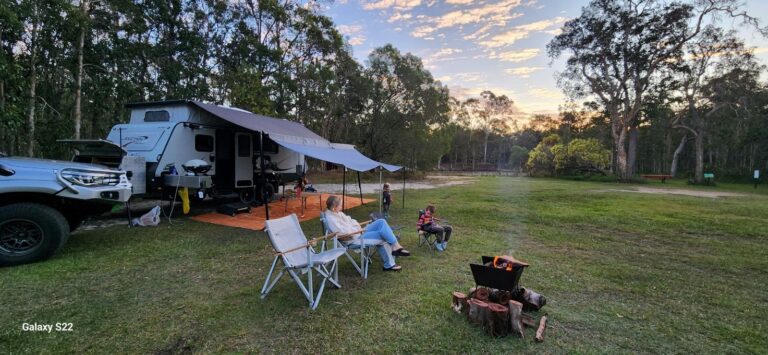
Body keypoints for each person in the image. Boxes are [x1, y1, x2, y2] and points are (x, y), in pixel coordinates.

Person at [324, 195, 410, 271]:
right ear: (334, 208)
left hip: (358, 232)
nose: (341, 207)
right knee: (383, 235)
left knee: (381, 221)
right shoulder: (331, 219)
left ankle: (395, 246)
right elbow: (343, 232)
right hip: (354, 239)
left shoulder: (337, 213)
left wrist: (356, 227)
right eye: (340, 205)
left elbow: (351, 220)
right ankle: (389, 264)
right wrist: (356, 228)